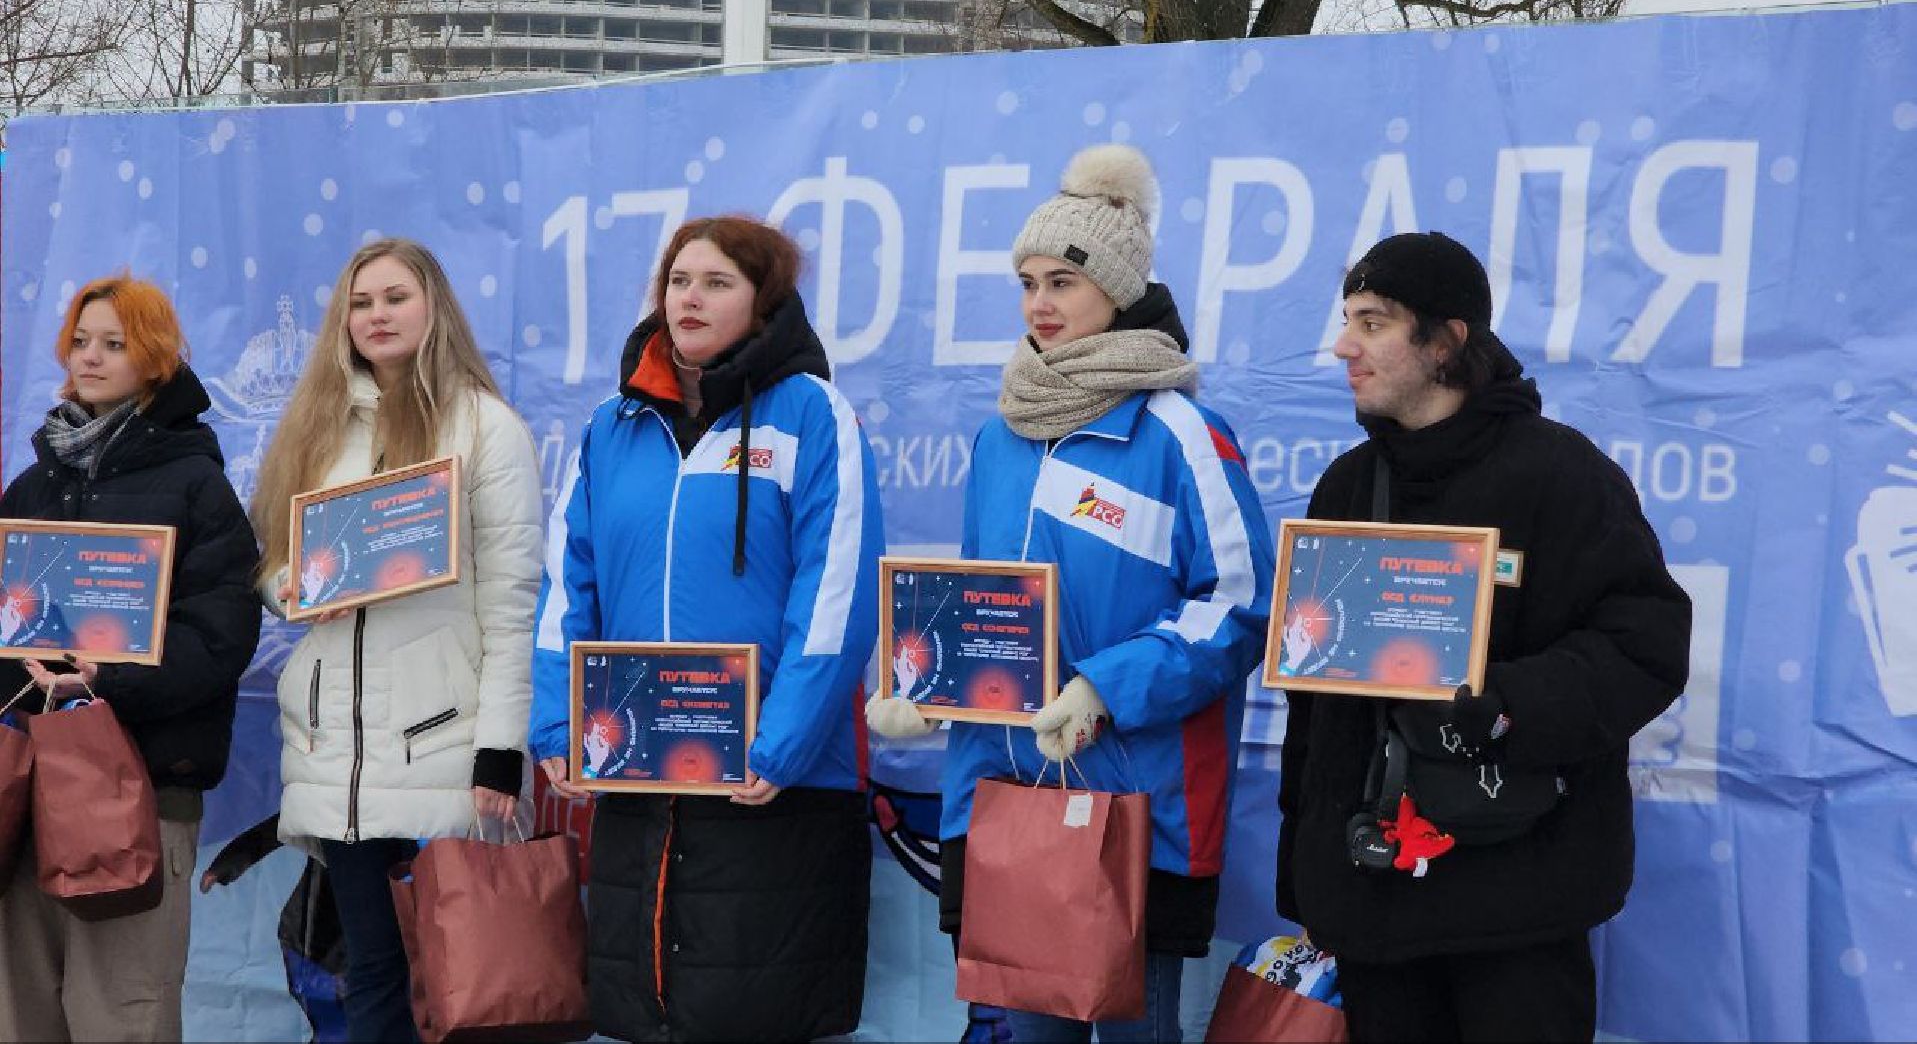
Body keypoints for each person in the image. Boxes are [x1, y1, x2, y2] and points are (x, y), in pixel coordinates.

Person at [867, 144, 1276, 1042]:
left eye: (1063, 282)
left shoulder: (1179, 430)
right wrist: (930, 689)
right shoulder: (1000, 434)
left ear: (1119, 291)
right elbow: (986, 611)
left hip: (1137, 807)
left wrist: (1103, 687)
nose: (1039, 304)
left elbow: (1238, 603)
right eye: (1026, 283)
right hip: (1007, 801)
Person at [1274, 232, 1692, 1042]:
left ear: (1445, 341)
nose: (1342, 346)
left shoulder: (1560, 475)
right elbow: (1315, 704)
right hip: (1375, 903)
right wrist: (1309, 873)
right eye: (1347, 320)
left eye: (1371, 323)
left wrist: (1505, 703)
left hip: (1516, 902)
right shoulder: (1347, 484)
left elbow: (1644, 643)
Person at [528, 216, 884, 1042]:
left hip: (768, 786)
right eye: (679, 280)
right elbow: (564, 588)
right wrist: (558, 722)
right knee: (646, 1015)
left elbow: (835, 593)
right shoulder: (610, 428)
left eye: (717, 282)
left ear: (764, 303)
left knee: (752, 1016)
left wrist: (782, 741)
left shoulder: (812, 416)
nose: (690, 296)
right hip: (636, 778)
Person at [251, 238, 544, 1043]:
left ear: (434, 307)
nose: (376, 315)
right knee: (371, 972)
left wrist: (499, 751)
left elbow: (513, 604)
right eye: (360, 301)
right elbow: (273, 565)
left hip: (441, 748)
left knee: (458, 979)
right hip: (334, 755)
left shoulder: (486, 428)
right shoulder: (315, 427)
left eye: (394, 297)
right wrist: (296, 590)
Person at [0, 275, 262, 1041]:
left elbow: (220, 637)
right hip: (24, 792)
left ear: (154, 360)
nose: (92, 357)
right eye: (81, 341)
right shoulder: (29, 487)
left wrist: (107, 680)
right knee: (20, 1015)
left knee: (124, 1016)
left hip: (139, 795)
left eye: (114, 344)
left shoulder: (197, 487)